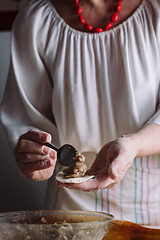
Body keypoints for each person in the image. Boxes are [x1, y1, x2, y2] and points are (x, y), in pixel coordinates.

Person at [1, 0, 160, 226]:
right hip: (71, 212)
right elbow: (24, 121)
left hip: (150, 211)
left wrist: (132, 144)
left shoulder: (155, 12)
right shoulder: (36, 21)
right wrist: (36, 158)